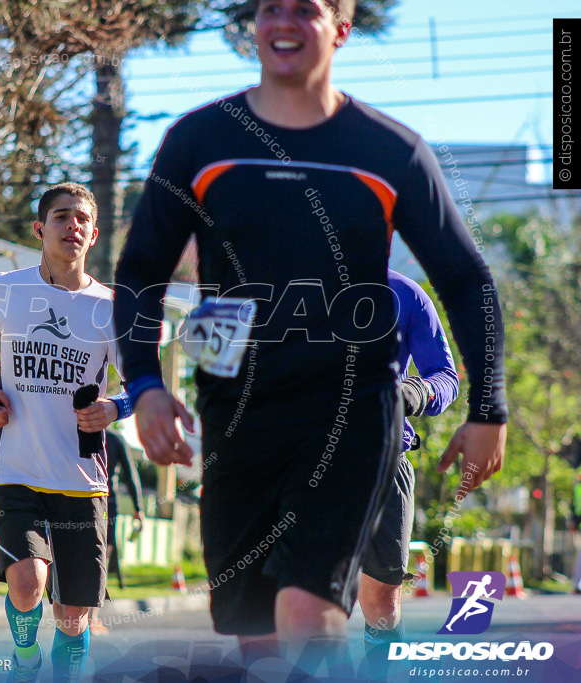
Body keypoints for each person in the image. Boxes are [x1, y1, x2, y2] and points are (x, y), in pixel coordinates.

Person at [112, 0, 507, 667]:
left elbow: (467, 279)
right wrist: (146, 385)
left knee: (309, 608)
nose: (283, 21)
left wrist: (487, 407)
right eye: (270, 8)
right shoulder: (201, 141)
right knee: (260, 632)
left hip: (350, 412)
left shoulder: (389, 150)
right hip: (237, 413)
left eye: (307, 8)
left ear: (343, 28)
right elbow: (141, 269)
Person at [0, 182, 132, 682]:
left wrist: (114, 407)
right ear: (40, 229)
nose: (71, 225)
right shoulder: (7, 289)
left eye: (81, 219)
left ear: (94, 234)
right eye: (61, 216)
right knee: (28, 582)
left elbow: (143, 383)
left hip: (81, 478)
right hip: (15, 468)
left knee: (73, 621)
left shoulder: (111, 308)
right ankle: (25, 657)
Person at [359, 270, 458, 653]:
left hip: (383, 459)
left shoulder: (405, 295)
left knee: (381, 603)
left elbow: (445, 377)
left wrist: (415, 391)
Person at [104, 430, 144, 592]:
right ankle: (92, 614)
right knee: (103, 553)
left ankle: (88, 613)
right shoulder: (115, 439)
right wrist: (138, 508)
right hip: (106, 503)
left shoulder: (75, 432)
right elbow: (130, 475)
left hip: (80, 500)